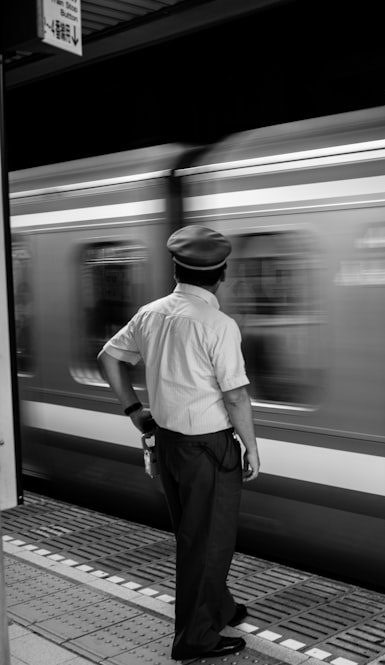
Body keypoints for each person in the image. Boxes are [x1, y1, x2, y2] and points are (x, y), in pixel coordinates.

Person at [97, 225, 261, 661]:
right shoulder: (218, 325)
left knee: (196, 537)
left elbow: (109, 358)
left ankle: (219, 606)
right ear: (222, 273)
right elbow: (236, 395)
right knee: (208, 542)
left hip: (168, 445)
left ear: (175, 269)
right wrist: (251, 446)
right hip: (208, 449)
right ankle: (194, 639)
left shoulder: (152, 313)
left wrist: (135, 411)